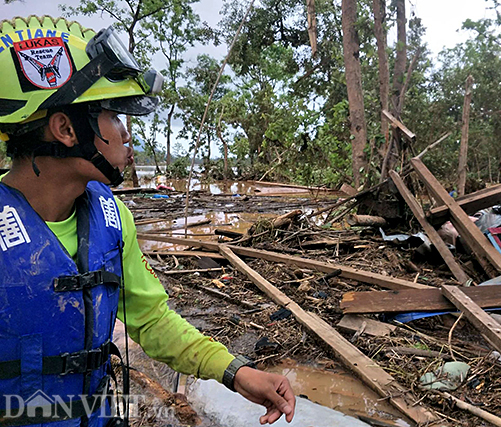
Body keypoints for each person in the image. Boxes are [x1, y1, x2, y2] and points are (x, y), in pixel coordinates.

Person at [0, 15, 295, 427]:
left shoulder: (112, 218)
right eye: (113, 116)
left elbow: (152, 320)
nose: (126, 133)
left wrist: (236, 372)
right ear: (66, 128)